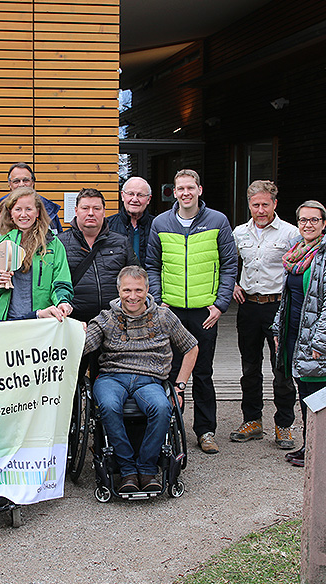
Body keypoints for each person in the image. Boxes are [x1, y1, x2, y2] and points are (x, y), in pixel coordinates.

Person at [146, 169, 237, 454]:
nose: (185, 193)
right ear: (173, 192)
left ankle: (206, 431)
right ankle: (170, 427)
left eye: (190, 188)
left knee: (203, 373)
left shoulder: (218, 221)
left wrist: (221, 303)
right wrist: (159, 301)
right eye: (179, 188)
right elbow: (152, 264)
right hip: (171, 312)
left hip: (204, 312)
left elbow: (229, 264)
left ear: (199, 190)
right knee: (170, 372)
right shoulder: (161, 222)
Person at [84, 266, 198, 493]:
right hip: (112, 377)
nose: (133, 296)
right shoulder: (106, 318)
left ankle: (146, 468)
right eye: (127, 290)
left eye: (138, 290)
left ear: (147, 289)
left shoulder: (164, 317)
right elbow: (84, 346)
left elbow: (191, 347)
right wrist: (75, 332)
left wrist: (180, 387)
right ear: (119, 290)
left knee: (162, 407)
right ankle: (127, 469)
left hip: (150, 379)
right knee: (107, 405)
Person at [230, 180, 298, 448]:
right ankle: (253, 420)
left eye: (265, 205)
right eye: (255, 205)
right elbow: (225, 263)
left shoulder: (290, 233)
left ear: (275, 204)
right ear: (249, 204)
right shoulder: (239, 233)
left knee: (281, 369)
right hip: (248, 306)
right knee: (249, 367)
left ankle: (284, 424)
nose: (260, 210)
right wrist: (232, 284)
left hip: (278, 306)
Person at [273, 200, 326, 468]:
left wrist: (320, 341)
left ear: (323, 224)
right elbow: (286, 298)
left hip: (316, 339)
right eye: (303, 220)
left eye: (314, 220)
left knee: (317, 394)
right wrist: (277, 328)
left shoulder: (323, 257)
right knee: (304, 392)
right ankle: (310, 446)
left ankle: (317, 451)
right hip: (294, 334)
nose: (308, 225)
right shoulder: (296, 253)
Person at [0, 187, 73, 321]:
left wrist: (62, 301)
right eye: (18, 209)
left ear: (37, 212)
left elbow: (61, 280)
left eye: (29, 209)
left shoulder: (53, 244)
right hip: (9, 320)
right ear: (11, 213)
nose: (23, 214)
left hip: (45, 319)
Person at [59, 187, 138, 324]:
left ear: (104, 212)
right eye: (85, 208)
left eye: (96, 208)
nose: (91, 213)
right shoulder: (60, 243)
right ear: (76, 211)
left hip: (114, 321)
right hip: (73, 322)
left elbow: (136, 277)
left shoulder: (121, 242)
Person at [0, 162, 63, 240]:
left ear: (33, 182)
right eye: (16, 181)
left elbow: (58, 242)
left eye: (26, 180)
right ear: (9, 184)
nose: (22, 184)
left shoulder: (49, 210)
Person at [107, 176, 154, 266]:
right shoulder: (107, 226)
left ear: (149, 199)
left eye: (140, 195)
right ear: (122, 196)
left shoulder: (157, 226)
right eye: (130, 194)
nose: (135, 199)